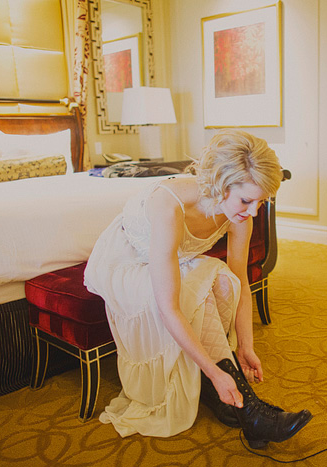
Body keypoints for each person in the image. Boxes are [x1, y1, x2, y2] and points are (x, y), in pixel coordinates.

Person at [84, 129, 311, 449]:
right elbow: (169, 308)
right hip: (129, 265)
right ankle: (248, 408)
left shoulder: (240, 213)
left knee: (223, 281)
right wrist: (215, 373)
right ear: (219, 185)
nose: (253, 211)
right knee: (199, 295)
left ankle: (232, 395)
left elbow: (242, 280)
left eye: (260, 201)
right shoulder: (169, 205)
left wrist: (246, 345)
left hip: (171, 260)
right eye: (247, 200)